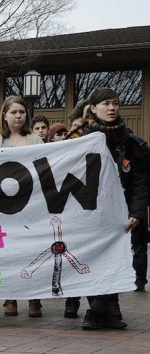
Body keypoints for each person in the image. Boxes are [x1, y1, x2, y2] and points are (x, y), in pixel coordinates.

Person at [79, 87, 147, 330]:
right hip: (88, 213)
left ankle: (102, 311)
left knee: (114, 259)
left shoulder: (130, 143)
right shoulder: (79, 139)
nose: (111, 108)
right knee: (93, 260)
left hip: (120, 214)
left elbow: (139, 181)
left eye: (115, 103)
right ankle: (103, 310)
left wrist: (136, 213)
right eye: (106, 103)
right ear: (93, 108)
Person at [0, 96, 44, 317]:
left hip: (30, 206)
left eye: (22, 112)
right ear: (4, 115)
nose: (18, 116)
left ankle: (34, 299)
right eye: (13, 112)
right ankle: (10, 297)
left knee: (32, 251)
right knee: (8, 252)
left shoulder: (35, 140)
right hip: (2, 206)